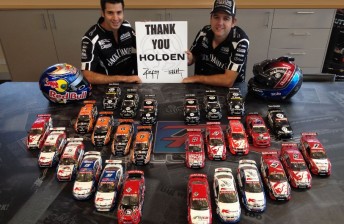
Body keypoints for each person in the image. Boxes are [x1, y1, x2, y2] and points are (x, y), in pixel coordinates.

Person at [182, 0, 249, 87]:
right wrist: (190, 58)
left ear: (233, 22)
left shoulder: (240, 40)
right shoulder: (204, 32)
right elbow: (193, 57)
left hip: (232, 88)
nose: (220, 23)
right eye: (216, 17)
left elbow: (228, 81)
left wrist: (197, 78)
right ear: (211, 19)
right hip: (202, 85)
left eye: (226, 18)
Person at [81, 0, 141, 84]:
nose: (116, 18)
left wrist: (149, 34)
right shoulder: (90, 38)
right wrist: (124, 79)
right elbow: (87, 76)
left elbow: (144, 48)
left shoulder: (126, 26)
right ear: (102, 13)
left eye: (119, 12)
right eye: (110, 13)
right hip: (107, 86)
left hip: (133, 80)